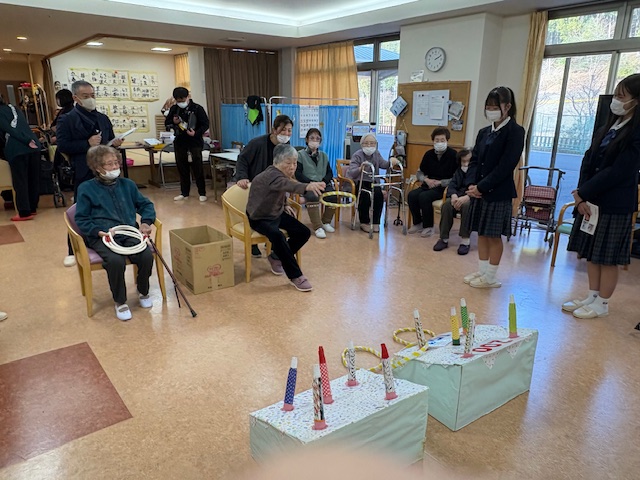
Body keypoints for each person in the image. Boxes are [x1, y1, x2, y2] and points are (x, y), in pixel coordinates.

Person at [562, 74, 640, 319]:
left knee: (607, 257)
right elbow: (588, 160)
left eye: (621, 96)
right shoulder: (608, 127)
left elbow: (618, 171)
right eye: (615, 94)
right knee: (592, 252)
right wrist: (580, 197)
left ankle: (602, 304)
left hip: (615, 204)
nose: (615, 100)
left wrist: (584, 192)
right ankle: (592, 295)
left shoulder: (636, 132)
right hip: (591, 202)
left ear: (636, 101)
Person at [75, 145, 156, 321]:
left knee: (146, 256)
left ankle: (143, 291)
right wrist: (98, 232)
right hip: (102, 236)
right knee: (115, 261)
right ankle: (120, 301)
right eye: (109, 164)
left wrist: (146, 222)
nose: (115, 167)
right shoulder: (86, 188)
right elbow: (81, 218)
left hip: (129, 231)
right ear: (98, 168)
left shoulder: (128, 184)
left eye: (116, 162)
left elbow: (145, 205)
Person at [464, 86, 525, 288]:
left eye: (495, 107)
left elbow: (506, 165)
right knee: (481, 232)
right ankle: (482, 271)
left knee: (493, 235)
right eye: (488, 107)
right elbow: (474, 160)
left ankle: (491, 276)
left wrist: (482, 187)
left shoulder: (515, 132)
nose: (491, 110)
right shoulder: (484, 132)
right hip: (479, 191)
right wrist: (472, 184)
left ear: (507, 106)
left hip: (498, 192)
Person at [57, 80, 122, 267]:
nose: (90, 99)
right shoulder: (67, 119)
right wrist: (87, 143)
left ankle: (110, 241)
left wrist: (115, 143)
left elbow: (109, 139)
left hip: (106, 170)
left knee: (110, 207)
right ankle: (72, 249)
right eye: (86, 96)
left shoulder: (102, 118)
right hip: (83, 170)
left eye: (93, 95)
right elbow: (63, 145)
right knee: (80, 209)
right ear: (76, 98)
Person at [246, 144, 325, 292]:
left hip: (275, 212)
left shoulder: (280, 175)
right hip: (259, 217)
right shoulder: (271, 175)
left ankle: (276, 256)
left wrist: (285, 204)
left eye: (295, 163)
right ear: (277, 162)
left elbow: (280, 190)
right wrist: (307, 187)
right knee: (278, 236)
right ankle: (296, 276)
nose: (292, 167)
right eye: (288, 163)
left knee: (303, 232)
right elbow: (286, 185)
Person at [235, 114, 294, 256]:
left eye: (289, 130)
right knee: (255, 214)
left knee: (275, 215)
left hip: (274, 189)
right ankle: (253, 244)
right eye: (283, 130)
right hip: (255, 185)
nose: (286, 134)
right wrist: (242, 177)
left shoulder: (286, 148)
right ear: (274, 130)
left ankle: (273, 245)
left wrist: (285, 202)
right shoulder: (257, 143)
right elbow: (242, 159)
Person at [407, 127, 458, 237]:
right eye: (437, 140)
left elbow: (457, 178)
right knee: (412, 195)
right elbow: (419, 172)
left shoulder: (453, 155)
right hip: (428, 184)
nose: (439, 143)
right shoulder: (428, 154)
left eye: (442, 140)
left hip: (444, 187)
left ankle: (428, 226)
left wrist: (440, 182)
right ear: (433, 141)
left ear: (447, 140)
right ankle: (418, 223)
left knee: (424, 197)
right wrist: (426, 180)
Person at [346, 133, 399, 233]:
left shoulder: (376, 154)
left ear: (375, 144)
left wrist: (391, 161)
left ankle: (375, 222)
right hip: (360, 181)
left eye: (372, 143)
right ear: (362, 144)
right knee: (365, 196)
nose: (369, 145)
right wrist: (360, 168)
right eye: (366, 143)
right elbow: (351, 172)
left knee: (379, 195)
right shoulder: (357, 155)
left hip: (373, 181)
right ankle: (364, 222)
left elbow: (384, 164)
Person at [164, 87, 210, 202]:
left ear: (187, 97)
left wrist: (196, 133)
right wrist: (173, 123)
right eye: (178, 100)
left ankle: (202, 192)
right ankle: (184, 193)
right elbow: (167, 123)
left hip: (195, 141)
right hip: (180, 141)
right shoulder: (174, 108)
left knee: (197, 167)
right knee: (182, 167)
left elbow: (205, 124)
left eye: (182, 100)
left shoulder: (197, 108)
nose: (181, 102)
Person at [0, 97, 41, 221]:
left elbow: (8, 131)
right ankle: (32, 208)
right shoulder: (13, 108)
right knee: (33, 179)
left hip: (17, 148)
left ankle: (24, 212)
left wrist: (25, 141)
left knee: (20, 181)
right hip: (34, 145)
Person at [295, 128, 336, 239]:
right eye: (312, 138)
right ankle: (318, 227)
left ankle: (326, 222)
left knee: (333, 196)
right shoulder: (300, 155)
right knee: (312, 196)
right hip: (308, 185)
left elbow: (329, 172)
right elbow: (297, 174)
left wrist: (324, 182)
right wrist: (311, 183)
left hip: (322, 184)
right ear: (306, 140)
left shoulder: (324, 155)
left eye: (317, 139)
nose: (315, 141)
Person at [433, 148, 474, 255]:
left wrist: (466, 197)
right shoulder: (458, 171)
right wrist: (453, 196)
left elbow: (478, 189)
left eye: (468, 161)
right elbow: (452, 185)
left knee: (466, 206)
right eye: (463, 161)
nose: (466, 164)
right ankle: (443, 239)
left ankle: (465, 241)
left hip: (471, 198)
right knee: (446, 205)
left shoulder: (477, 171)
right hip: (457, 197)